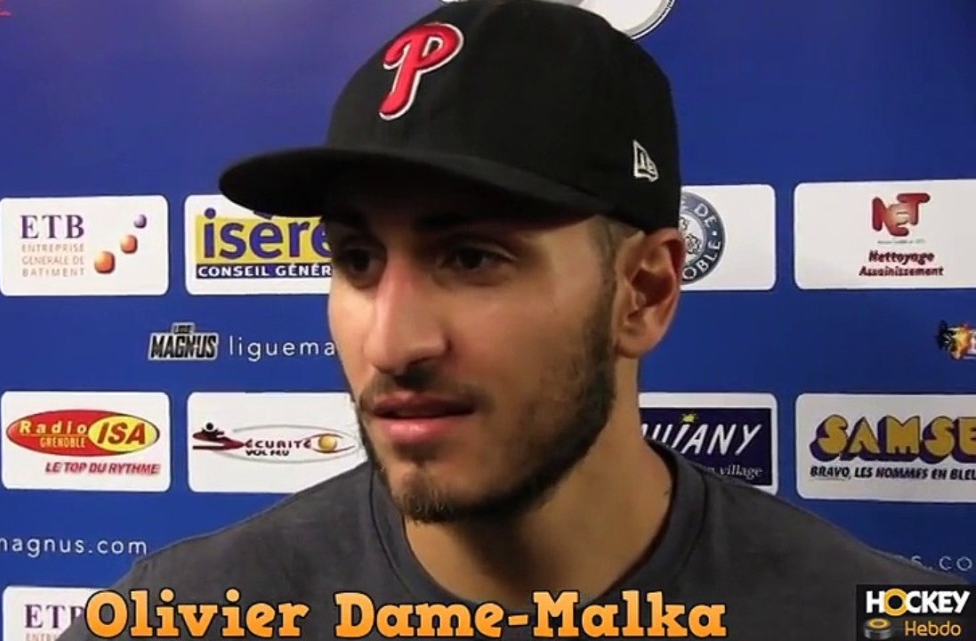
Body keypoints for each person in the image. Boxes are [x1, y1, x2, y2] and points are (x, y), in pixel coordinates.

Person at [59, 0, 966, 639]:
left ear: (644, 292)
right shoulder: (182, 614)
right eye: (357, 259)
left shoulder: (868, 617)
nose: (390, 342)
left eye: (470, 258)